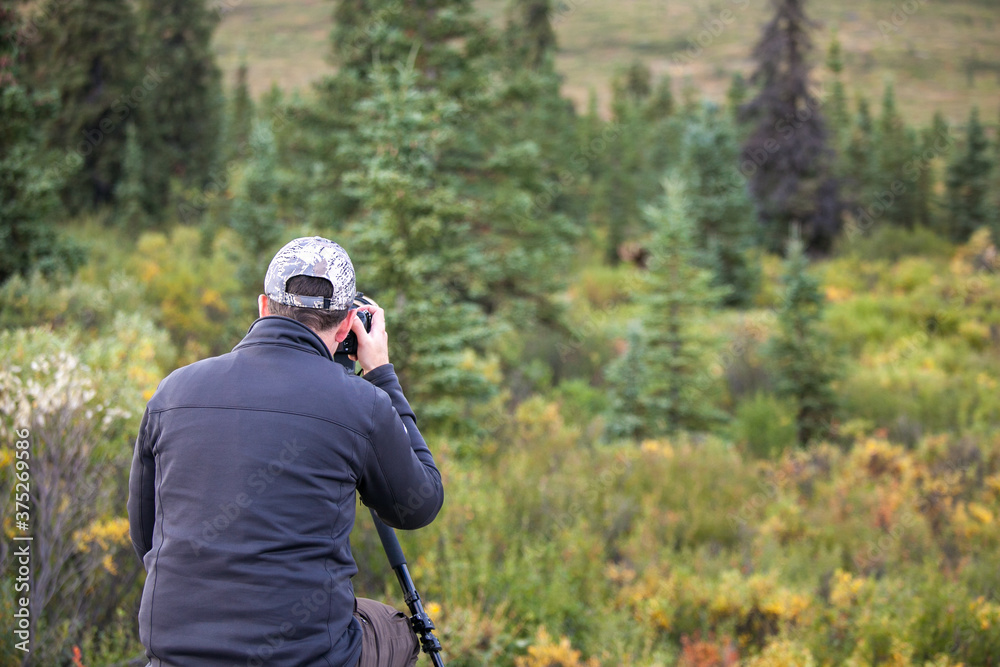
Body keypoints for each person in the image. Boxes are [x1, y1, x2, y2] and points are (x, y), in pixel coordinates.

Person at [127, 236, 444, 667]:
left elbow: (146, 535)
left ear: (263, 306)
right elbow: (418, 506)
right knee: (393, 629)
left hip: (174, 653)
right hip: (306, 656)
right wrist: (382, 374)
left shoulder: (173, 391)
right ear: (351, 321)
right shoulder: (360, 403)